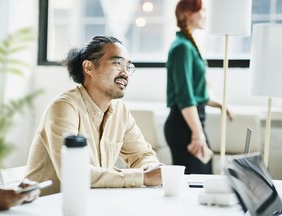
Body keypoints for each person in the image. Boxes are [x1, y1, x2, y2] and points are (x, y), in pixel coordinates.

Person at [25, 35, 162, 196]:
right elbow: (73, 173)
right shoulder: (64, 107)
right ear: (89, 67)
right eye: (117, 63)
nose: (125, 73)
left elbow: (142, 155)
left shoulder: (120, 111)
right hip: (46, 208)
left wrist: (151, 169)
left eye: (128, 66)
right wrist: (143, 177)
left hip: (92, 205)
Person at [164, 0, 232, 174]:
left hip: (191, 123)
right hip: (184, 125)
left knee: (203, 176)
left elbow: (195, 93)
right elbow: (185, 97)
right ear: (187, 14)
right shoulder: (182, 48)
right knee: (196, 182)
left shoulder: (187, 45)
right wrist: (197, 134)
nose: (205, 16)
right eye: (201, 11)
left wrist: (220, 105)